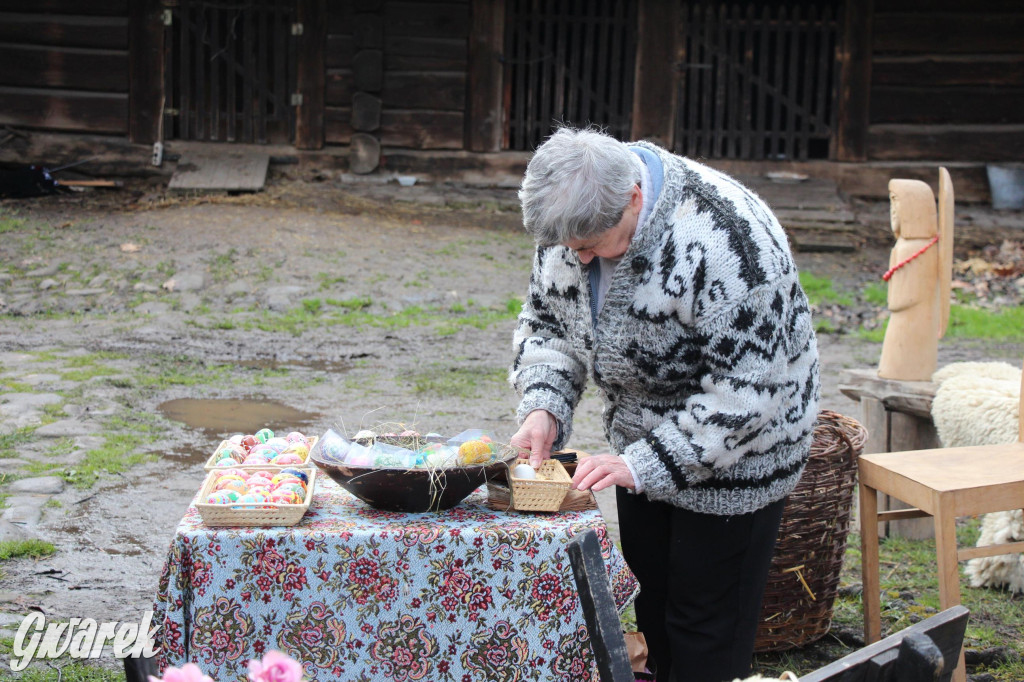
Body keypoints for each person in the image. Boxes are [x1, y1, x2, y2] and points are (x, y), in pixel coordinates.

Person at [508, 126, 820, 682]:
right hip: (640, 448)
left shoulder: (729, 240)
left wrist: (645, 463)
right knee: (653, 611)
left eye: (590, 246)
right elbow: (549, 324)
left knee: (705, 628)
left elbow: (748, 391)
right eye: (567, 249)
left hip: (740, 456)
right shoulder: (573, 220)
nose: (577, 259)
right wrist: (545, 406)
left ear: (633, 197)